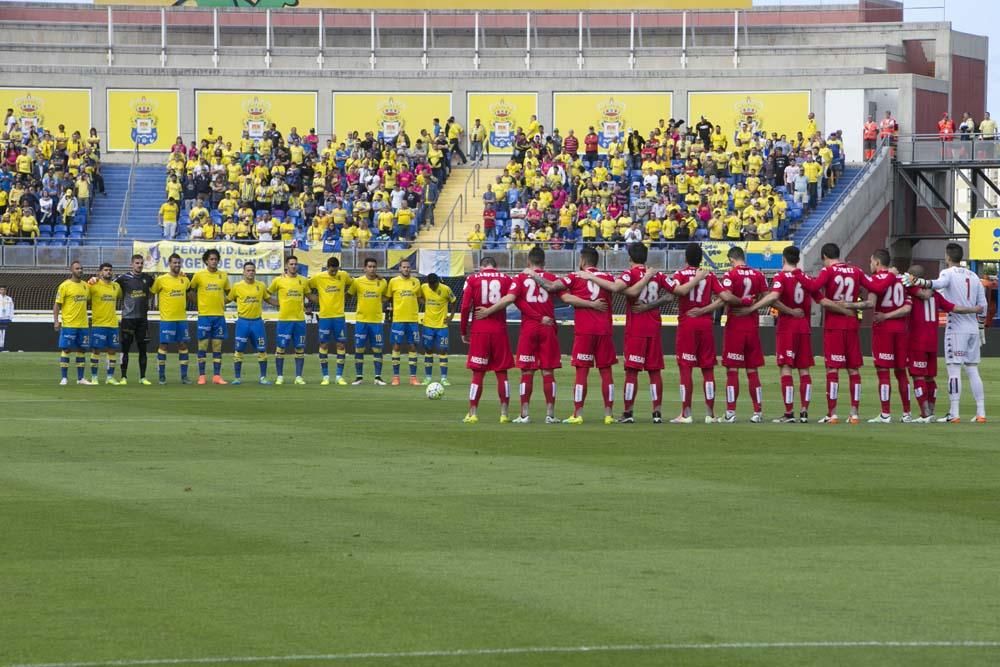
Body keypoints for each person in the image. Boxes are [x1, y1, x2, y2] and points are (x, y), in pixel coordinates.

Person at [581, 243, 679, 424]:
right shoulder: (658, 275)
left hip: (636, 329)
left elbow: (616, 288)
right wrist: (660, 299)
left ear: (630, 258)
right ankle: (657, 413)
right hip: (654, 328)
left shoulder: (629, 274)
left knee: (632, 372)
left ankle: (628, 412)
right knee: (655, 372)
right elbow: (677, 292)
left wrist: (590, 276)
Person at [528, 246, 617, 425]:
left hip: (585, 331)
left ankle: (578, 414)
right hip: (604, 330)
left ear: (583, 261)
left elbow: (551, 286)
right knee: (606, 372)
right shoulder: (608, 278)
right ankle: (608, 414)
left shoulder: (575, 276)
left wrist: (532, 274)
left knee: (581, 372)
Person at [474, 246, 562, 424]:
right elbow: (565, 297)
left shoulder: (521, 278)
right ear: (544, 262)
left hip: (529, 329)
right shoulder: (552, 278)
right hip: (547, 327)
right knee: (548, 371)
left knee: (526, 371)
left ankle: (524, 414)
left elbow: (508, 299)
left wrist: (487, 311)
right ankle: (550, 414)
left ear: (528, 261)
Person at [903, 243, 988, 422]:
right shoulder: (974, 276)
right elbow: (983, 306)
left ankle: (954, 413)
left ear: (947, 257)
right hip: (973, 327)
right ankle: (981, 413)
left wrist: (918, 281)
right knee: (973, 369)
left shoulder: (947, 274)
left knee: (954, 370)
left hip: (956, 329)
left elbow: (938, 284)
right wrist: (980, 327)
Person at [794, 243, 870, 424]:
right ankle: (854, 413)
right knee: (853, 369)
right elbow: (874, 286)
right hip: (852, 323)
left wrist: (798, 273)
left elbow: (813, 287)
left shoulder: (828, 272)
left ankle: (832, 413)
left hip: (834, 324)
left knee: (833, 369)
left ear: (824, 257)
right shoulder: (856, 271)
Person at [741, 246, 814, 424]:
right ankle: (804, 411)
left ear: (783, 259)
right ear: (797, 259)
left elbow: (773, 297)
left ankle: (789, 413)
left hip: (788, 325)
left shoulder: (781, 276)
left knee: (786, 367)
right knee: (804, 369)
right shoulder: (806, 277)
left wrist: (752, 308)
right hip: (804, 325)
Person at [667, 244, 722, 424]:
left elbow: (678, 291)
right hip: (705, 324)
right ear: (701, 259)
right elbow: (725, 297)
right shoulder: (710, 275)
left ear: (685, 258)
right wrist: (705, 309)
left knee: (686, 368)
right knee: (707, 369)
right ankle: (710, 414)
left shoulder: (680, 275)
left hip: (687, 324)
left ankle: (686, 413)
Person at [714, 247, 769, 423]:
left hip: (735, 325)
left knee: (732, 370)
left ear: (731, 259)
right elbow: (767, 297)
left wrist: (742, 303)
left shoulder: (730, 275)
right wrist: (752, 307)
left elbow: (727, 298)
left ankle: (730, 412)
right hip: (752, 325)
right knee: (752, 370)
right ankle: (758, 412)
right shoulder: (758, 275)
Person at [858, 250, 912, 423]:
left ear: (877, 262)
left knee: (883, 371)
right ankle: (906, 413)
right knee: (901, 371)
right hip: (901, 329)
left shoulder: (875, 280)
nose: (870, 264)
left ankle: (885, 414)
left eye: (871, 261)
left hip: (883, 330)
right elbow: (907, 308)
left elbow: (871, 303)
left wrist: (885, 316)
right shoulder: (902, 280)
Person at [459, 256, 515, 424]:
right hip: (499, 330)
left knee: (478, 373)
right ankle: (504, 414)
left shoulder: (473, 279)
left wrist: (464, 330)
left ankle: (473, 413)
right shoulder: (506, 279)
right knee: (502, 372)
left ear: (481, 266)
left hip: (480, 331)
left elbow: (465, 307)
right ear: (495, 266)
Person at [308, 256, 353, 385]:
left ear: (338, 268)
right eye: (331, 271)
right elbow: (306, 286)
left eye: (335, 270)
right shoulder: (319, 277)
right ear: (327, 268)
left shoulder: (343, 275)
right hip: (325, 317)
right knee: (324, 345)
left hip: (339, 316)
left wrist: (348, 295)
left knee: (341, 345)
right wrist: (314, 299)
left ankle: (339, 376)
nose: (333, 273)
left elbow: (355, 284)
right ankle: (325, 376)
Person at [266, 255, 310, 385]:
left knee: (300, 348)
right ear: (286, 266)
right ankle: (280, 376)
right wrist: (276, 303)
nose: (293, 266)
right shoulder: (278, 280)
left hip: (299, 320)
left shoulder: (303, 280)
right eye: (291, 264)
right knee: (281, 348)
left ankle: (298, 377)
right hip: (284, 320)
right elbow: (266, 294)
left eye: (295, 264)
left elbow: (308, 295)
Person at [189, 248, 231, 385]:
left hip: (219, 315)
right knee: (203, 345)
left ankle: (217, 376)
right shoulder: (199, 275)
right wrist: (198, 304)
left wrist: (223, 302)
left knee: (217, 346)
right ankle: (202, 376)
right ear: (206, 261)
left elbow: (230, 293)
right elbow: (189, 291)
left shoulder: (223, 276)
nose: (214, 261)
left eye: (215, 259)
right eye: (211, 259)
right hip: (205, 315)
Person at [151, 253, 192, 384]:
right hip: (167, 319)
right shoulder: (161, 279)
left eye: (179, 263)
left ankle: (184, 376)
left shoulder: (185, 280)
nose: (177, 265)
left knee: (183, 345)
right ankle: (162, 376)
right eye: (174, 263)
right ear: (169, 264)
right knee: (164, 345)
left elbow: (190, 294)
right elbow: (152, 293)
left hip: (182, 319)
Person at [228, 261, 270, 386]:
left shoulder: (261, 286)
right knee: (239, 350)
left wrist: (284, 303)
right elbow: (227, 299)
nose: (250, 272)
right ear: (243, 272)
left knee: (262, 350)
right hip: (243, 322)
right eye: (248, 270)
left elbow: (268, 299)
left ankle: (263, 377)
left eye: (252, 270)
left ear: (255, 271)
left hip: (257, 322)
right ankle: (237, 378)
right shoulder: (237, 286)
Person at [115, 254, 155, 385]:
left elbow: (156, 289)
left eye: (141, 263)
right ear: (132, 264)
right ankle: (123, 377)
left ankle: (143, 377)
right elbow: (109, 284)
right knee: (125, 348)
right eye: (137, 263)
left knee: (143, 349)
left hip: (142, 319)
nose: (139, 265)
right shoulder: (123, 278)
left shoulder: (147, 279)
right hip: (128, 319)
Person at [348, 257, 388, 385]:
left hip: (376, 321)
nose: (372, 269)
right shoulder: (357, 282)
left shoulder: (383, 282)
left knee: (378, 350)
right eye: (369, 266)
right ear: (364, 268)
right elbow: (350, 295)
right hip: (361, 321)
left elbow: (386, 297)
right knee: (359, 349)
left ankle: (378, 377)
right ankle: (359, 377)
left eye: (374, 267)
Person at [54, 260, 92, 386]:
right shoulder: (64, 286)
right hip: (69, 324)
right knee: (67, 349)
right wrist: (56, 321)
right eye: (77, 268)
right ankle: (64, 377)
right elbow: (57, 305)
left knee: (82, 349)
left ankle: (80, 378)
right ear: (71, 270)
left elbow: (89, 301)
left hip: (83, 324)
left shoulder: (86, 286)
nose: (80, 270)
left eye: (81, 268)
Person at [386, 259, 422, 386]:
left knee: (413, 346)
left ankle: (413, 378)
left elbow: (419, 299)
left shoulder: (416, 282)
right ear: (400, 268)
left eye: (408, 267)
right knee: (396, 346)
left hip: (412, 319)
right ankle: (396, 377)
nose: (406, 269)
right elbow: (389, 298)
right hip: (398, 319)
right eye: (404, 267)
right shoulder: (393, 282)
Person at [88, 262, 123, 385]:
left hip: (113, 324)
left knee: (112, 351)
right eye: (105, 270)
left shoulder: (116, 286)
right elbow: (85, 297)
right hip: (99, 324)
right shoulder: (93, 285)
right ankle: (94, 377)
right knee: (96, 350)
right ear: (100, 272)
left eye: (110, 270)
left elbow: (121, 296)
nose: (108, 272)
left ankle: (109, 377)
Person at [418, 273, 456, 386]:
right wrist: (424, 302)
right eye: (430, 285)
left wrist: (451, 316)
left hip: (442, 326)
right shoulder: (424, 287)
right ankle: (428, 377)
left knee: (443, 350)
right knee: (428, 350)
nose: (431, 287)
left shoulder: (445, 289)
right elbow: (419, 296)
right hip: (428, 325)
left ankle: (444, 378)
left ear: (437, 283)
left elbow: (453, 301)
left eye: (433, 285)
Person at [0, 285, 13, 352]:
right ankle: (0, 348)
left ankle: (4, 348)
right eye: (1, 289)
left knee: (5, 334)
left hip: (6, 318)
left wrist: (11, 317)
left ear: (6, 290)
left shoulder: (9, 298)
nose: (3, 291)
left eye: (4, 290)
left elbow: (12, 309)